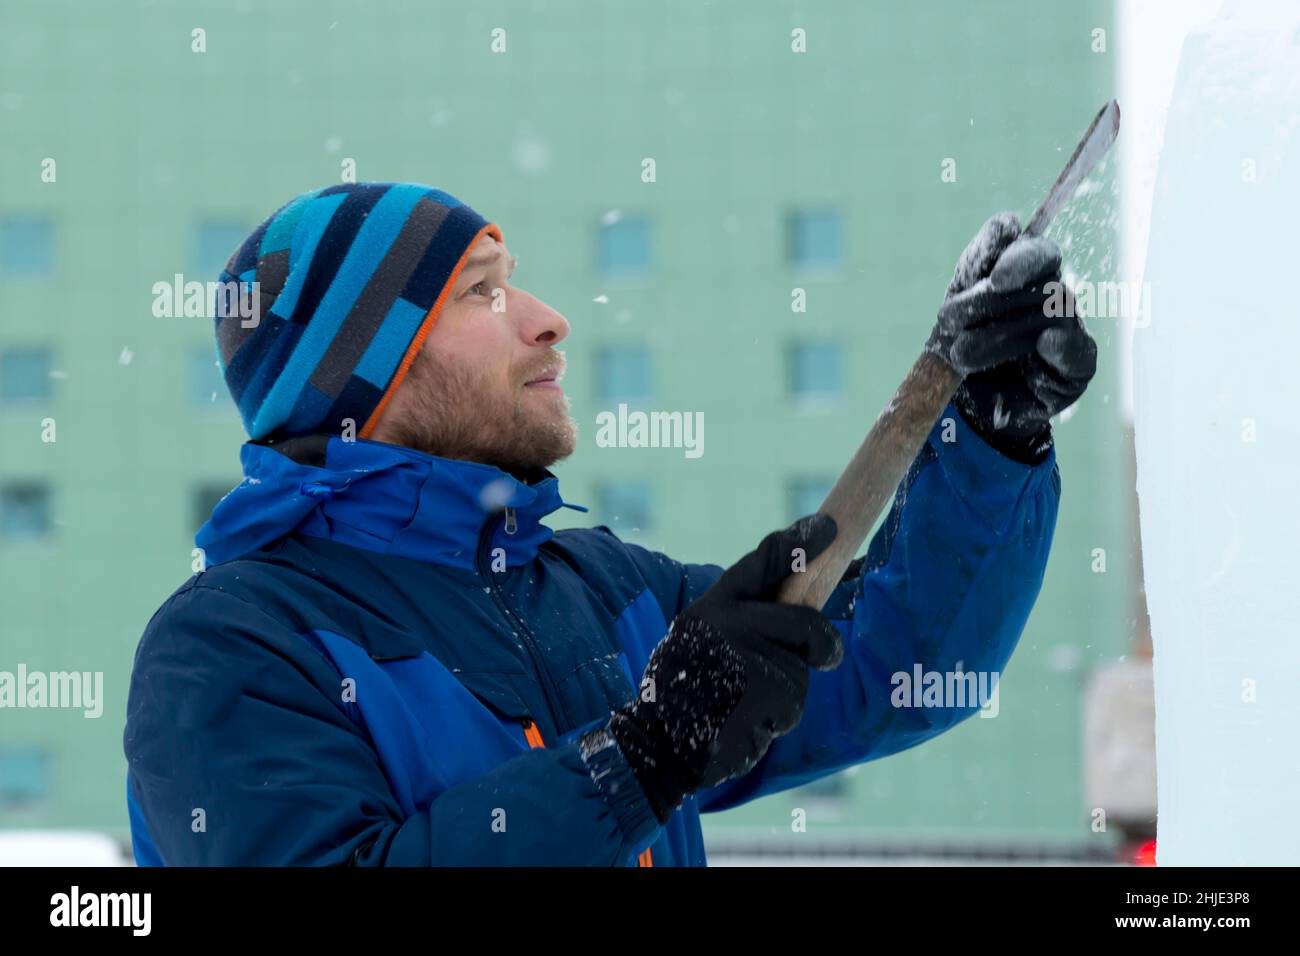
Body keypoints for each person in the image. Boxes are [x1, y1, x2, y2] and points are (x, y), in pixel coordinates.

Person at [123, 182, 1096, 866]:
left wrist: (992, 433)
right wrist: (643, 754)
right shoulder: (230, 645)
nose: (548, 319)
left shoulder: (597, 587)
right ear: (361, 376)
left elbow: (886, 665)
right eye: (482, 290)